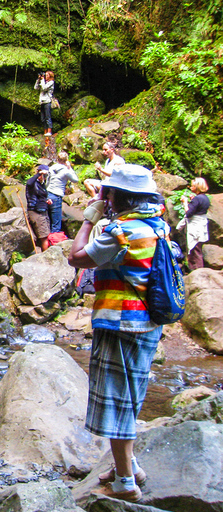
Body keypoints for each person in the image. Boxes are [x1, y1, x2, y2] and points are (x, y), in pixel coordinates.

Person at [68, 165, 169, 503]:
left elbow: (77, 257)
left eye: (108, 193)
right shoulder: (158, 226)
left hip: (119, 322)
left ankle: (126, 482)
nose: (105, 197)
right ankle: (130, 465)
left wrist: (89, 217)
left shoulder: (120, 231)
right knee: (131, 397)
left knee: (116, 401)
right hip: (148, 324)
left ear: (118, 197)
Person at [178, 177, 210, 271]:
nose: (191, 187)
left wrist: (185, 202)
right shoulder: (204, 198)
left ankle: (197, 272)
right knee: (197, 248)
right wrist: (193, 200)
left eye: (193, 185)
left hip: (195, 226)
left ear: (197, 187)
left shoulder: (198, 199)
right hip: (201, 225)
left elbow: (189, 213)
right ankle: (197, 270)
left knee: (194, 250)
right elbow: (199, 208)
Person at [46, 150, 79, 233]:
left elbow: (47, 181)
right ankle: (54, 242)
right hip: (56, 196)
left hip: (48, 194)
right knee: (56, 223)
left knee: (47, 219)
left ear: (57, 159)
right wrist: (70, 167)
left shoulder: (51, 168)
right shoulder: (66, 171)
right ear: (66, 160)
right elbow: (75, 180)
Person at [25, 164, 53, 251]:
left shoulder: (42, 184)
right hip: (35, 211)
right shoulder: (33, 183)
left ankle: (44, 254)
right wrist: (38, 174)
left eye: (46, 176)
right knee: (44, 237)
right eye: (43, 175)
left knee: (47, 235)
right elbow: (28, 183)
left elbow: (42, 196)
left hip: (43, 211)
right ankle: (45, 257)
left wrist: (47, 200)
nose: (44, 178)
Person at [34, 71, 55, 137]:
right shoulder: (43, 82)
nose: (45, 76)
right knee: (43, 118)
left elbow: (44, 88)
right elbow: (36, 88)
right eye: (45, 75)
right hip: (42, 102)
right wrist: (38, 80)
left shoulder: (51, 82)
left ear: (50, 76)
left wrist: (42, 80)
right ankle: (45, 131)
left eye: (46, 75)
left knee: (47, 117)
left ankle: (49, 131)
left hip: (47, 101)